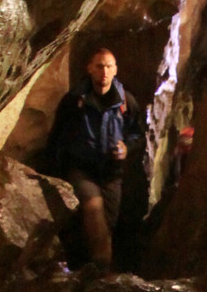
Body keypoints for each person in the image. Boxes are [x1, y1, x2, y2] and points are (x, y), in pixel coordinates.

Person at [47, 48, 144, 271]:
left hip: (111, 172)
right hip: (81, 169)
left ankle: (92, 273)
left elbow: (137, 134)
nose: (104, 71)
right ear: (89, 68)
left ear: (115, 70)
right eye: (99, 66)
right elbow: (58, 135)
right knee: (93, 208)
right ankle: (103, 270)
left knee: (105, 227)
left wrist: (126, 149)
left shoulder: (125, 102)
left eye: (109, 66)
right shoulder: (75, 101)